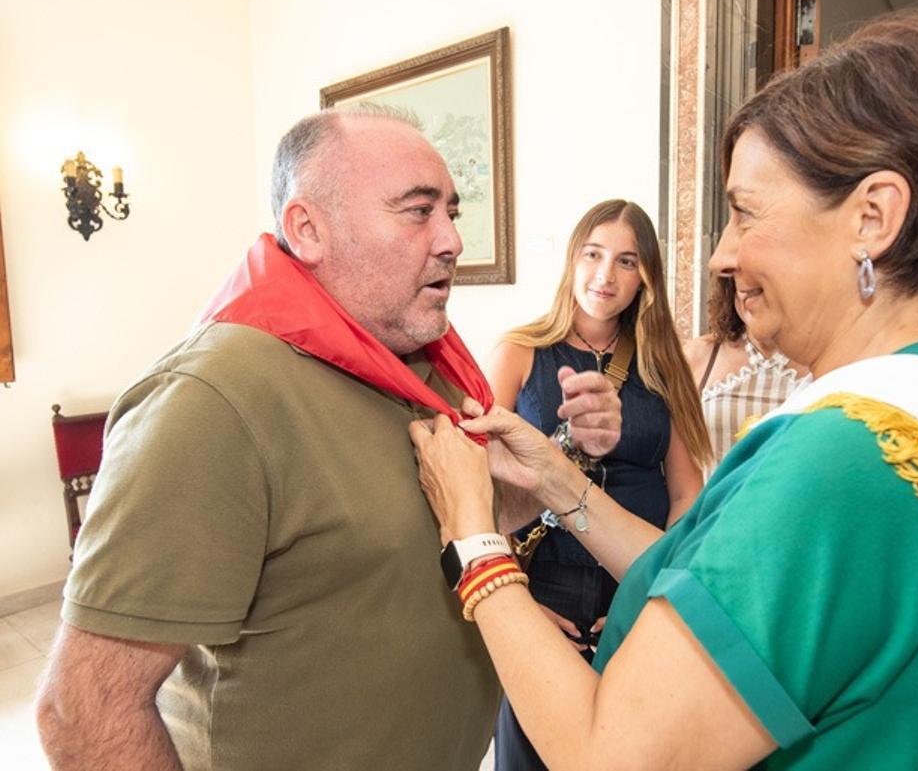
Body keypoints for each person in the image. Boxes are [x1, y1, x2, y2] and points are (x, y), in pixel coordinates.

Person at [406, 10, 918, 771]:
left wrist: (474, 538)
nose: (720, 256)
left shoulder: (836, 464)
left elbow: (608, 750)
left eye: (745, 213)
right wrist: (556, 477)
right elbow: (726, 585)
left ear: (873, 217)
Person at [34, 107, 621, 770]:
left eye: (452, 211)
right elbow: (84, 707)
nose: (453, 238)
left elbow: (443, 528)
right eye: (417, 210)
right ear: (308, 229)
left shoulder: (424, 363)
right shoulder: (213, 400)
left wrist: (565, 450)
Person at [485, 198, 710, 768]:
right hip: (543, 583)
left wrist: (653, 598)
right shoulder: (519, 351)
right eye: (593, 254)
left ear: (646, 281)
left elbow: (686, 495)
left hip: (632, 583)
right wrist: (516, 600)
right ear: (572, 260)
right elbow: (476, 491)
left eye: (627, 261)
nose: (606, 275)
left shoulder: (664, 365)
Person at [682, 274, 808, 467]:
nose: (752, 295)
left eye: (763, 286)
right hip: (713, 496)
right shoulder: (698, 355)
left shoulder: (823, 360)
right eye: (744, 284)